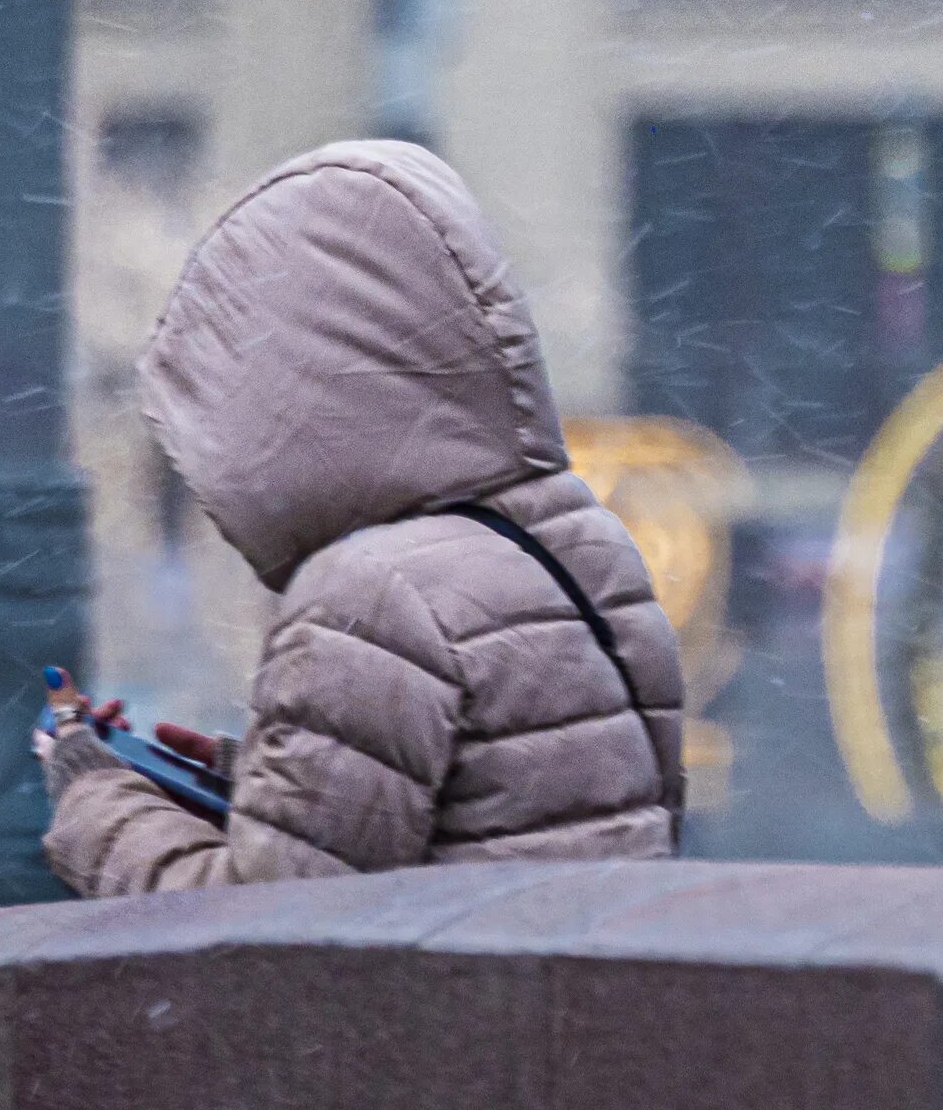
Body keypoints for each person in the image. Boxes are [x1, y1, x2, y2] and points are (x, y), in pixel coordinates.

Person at [38, 140, 686, 893]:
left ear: (286, 394)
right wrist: (258, 780)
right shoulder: (582, 543)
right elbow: (538, 812)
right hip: (586, 996)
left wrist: (94, 794)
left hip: (457, 1006)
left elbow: (256, 931)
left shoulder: (367, 594)